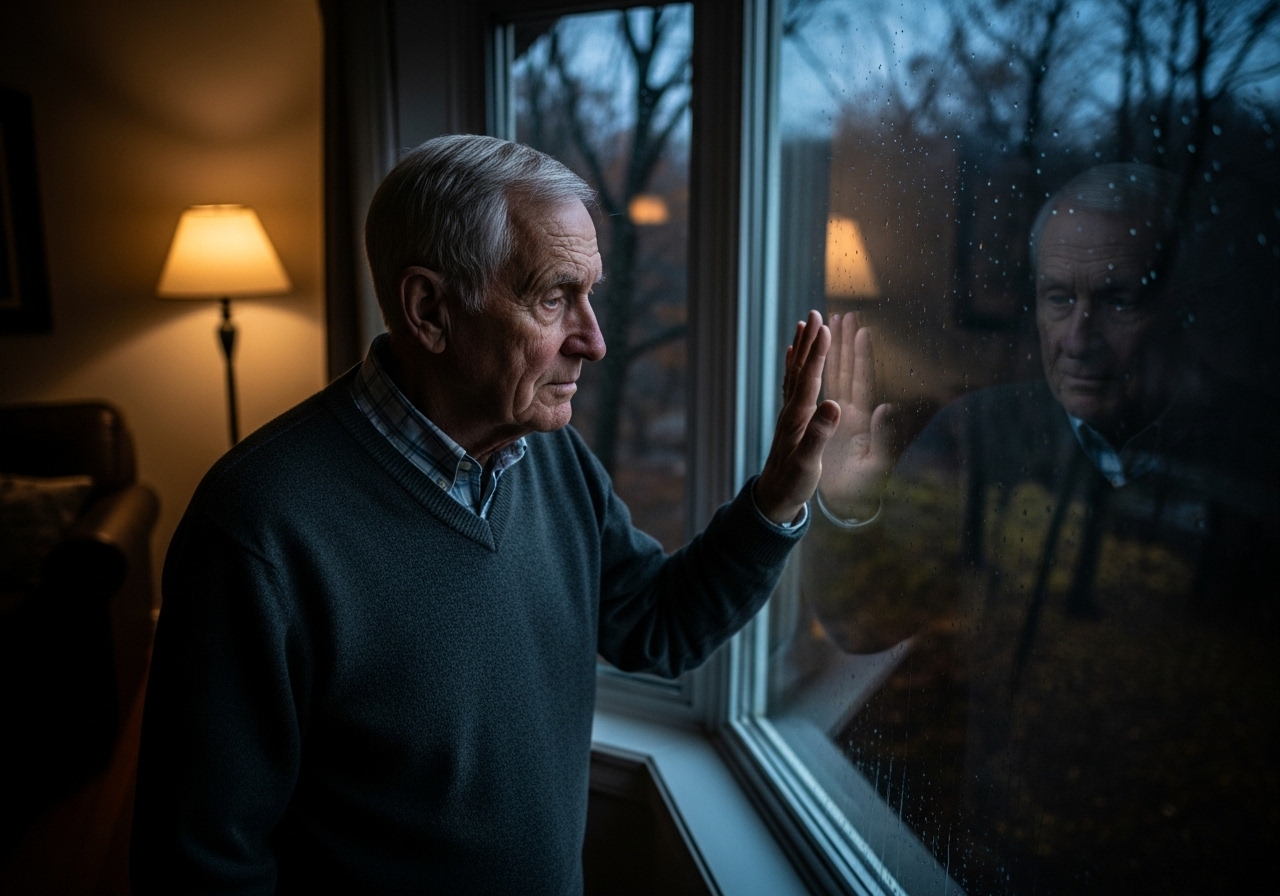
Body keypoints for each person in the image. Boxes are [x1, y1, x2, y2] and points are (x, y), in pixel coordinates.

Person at [131, 135, 842, 894]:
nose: (595, 341)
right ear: (430, 310)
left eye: (591, 294)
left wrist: (776, 498)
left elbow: (658, 624)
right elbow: (202, 866)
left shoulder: (552, 458)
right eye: (552, 298)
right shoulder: (255, 530)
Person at [805, 163, 1280, 894]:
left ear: (1174, 304)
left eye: (1117, 301)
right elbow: (867, 622)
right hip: (1003, 855)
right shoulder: (980, 435)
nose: (1079, 337)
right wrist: (848, 505)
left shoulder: (1253, 461)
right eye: (1060, 299)